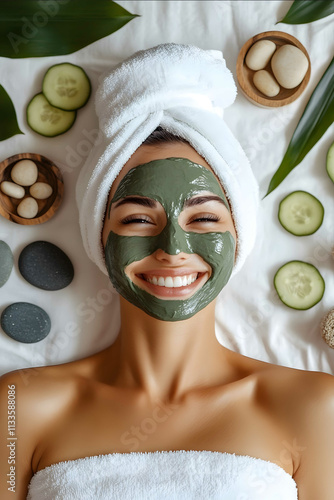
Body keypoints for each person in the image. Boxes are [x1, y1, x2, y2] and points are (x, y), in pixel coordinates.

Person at [1, 44, 334, 499]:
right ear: (99, 238)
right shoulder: (20, 408)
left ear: (240, 238)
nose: (173, 249)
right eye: (138, 220)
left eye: (204, 219)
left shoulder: (313, 408)